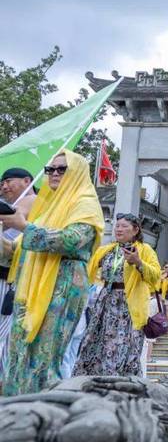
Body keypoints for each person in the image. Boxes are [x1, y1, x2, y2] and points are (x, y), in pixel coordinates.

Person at [0, 150, 104, 395]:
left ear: (77, 172)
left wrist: (24, 226)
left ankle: (44, 416)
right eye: (50, 169)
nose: (54, 173)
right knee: (20, 353)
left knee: (44, 356)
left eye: (61, 169)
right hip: (30, 288)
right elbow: (14, 252)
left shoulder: (85, 203)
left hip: (63, 285)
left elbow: (71, 240)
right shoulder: (46, 209)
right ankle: (16, 411)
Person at [73, 212, 160, 377]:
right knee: (98, 340)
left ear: (135, 230)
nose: (118, 229)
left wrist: (138, 262)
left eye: (124, 226)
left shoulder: (145, 250)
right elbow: (88, 268)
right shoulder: (107, 250)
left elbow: (156, 276)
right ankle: (95, 377)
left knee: (123, 344)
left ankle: (121, 380)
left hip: (128, 304)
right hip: (106, 301)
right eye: (117, 226)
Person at [0, 167, 37, 377]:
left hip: (16, 282)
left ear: (27, 181)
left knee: (7, 339)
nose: (4, 186)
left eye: (8, 181)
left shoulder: (36, 203)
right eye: (2, 183)